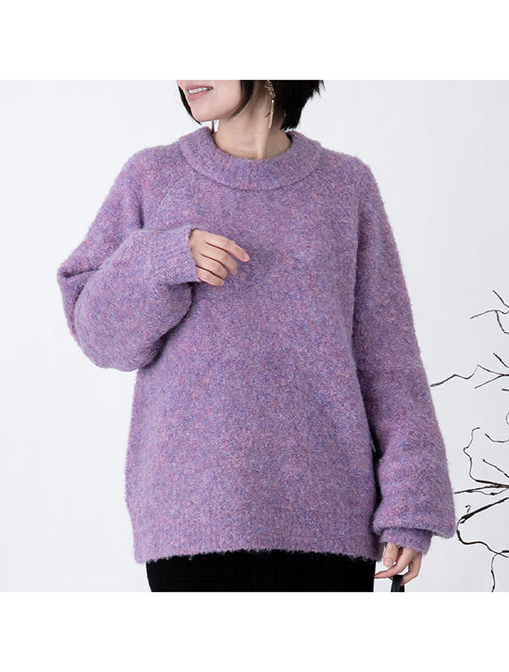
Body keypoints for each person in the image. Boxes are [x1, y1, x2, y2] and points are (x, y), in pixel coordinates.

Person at [56, 80, 456, 592]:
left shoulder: (346, 186)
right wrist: (161, 258)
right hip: (193, 523)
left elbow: (390, 362)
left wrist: (410, 505)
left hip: (331, 524)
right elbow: (98, 337)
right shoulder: (153, 177)